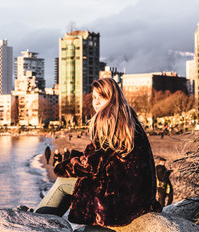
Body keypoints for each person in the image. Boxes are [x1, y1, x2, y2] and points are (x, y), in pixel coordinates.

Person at [34, 78, 162, 227]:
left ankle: (36, 224)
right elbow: (106, 160)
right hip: (140, 197)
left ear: (112, 97)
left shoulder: (107, 118)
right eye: (94, 97)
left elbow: (91, 165)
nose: (96, 103)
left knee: (63, 183)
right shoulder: (128, 118)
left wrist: (65, 166)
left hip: (118, 200)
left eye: (102, 97)